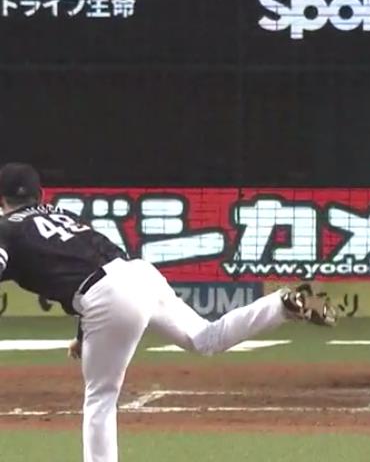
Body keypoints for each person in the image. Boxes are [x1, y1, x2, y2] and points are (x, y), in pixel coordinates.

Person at [0, 162, 337, 462]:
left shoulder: (6, 229)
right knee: (206, 338)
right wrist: (82, 334)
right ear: (41, 194)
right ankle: (279, 305)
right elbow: (86, 264)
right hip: (138, 274)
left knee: (100, 396)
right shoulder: (63, 215)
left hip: (106, 296)